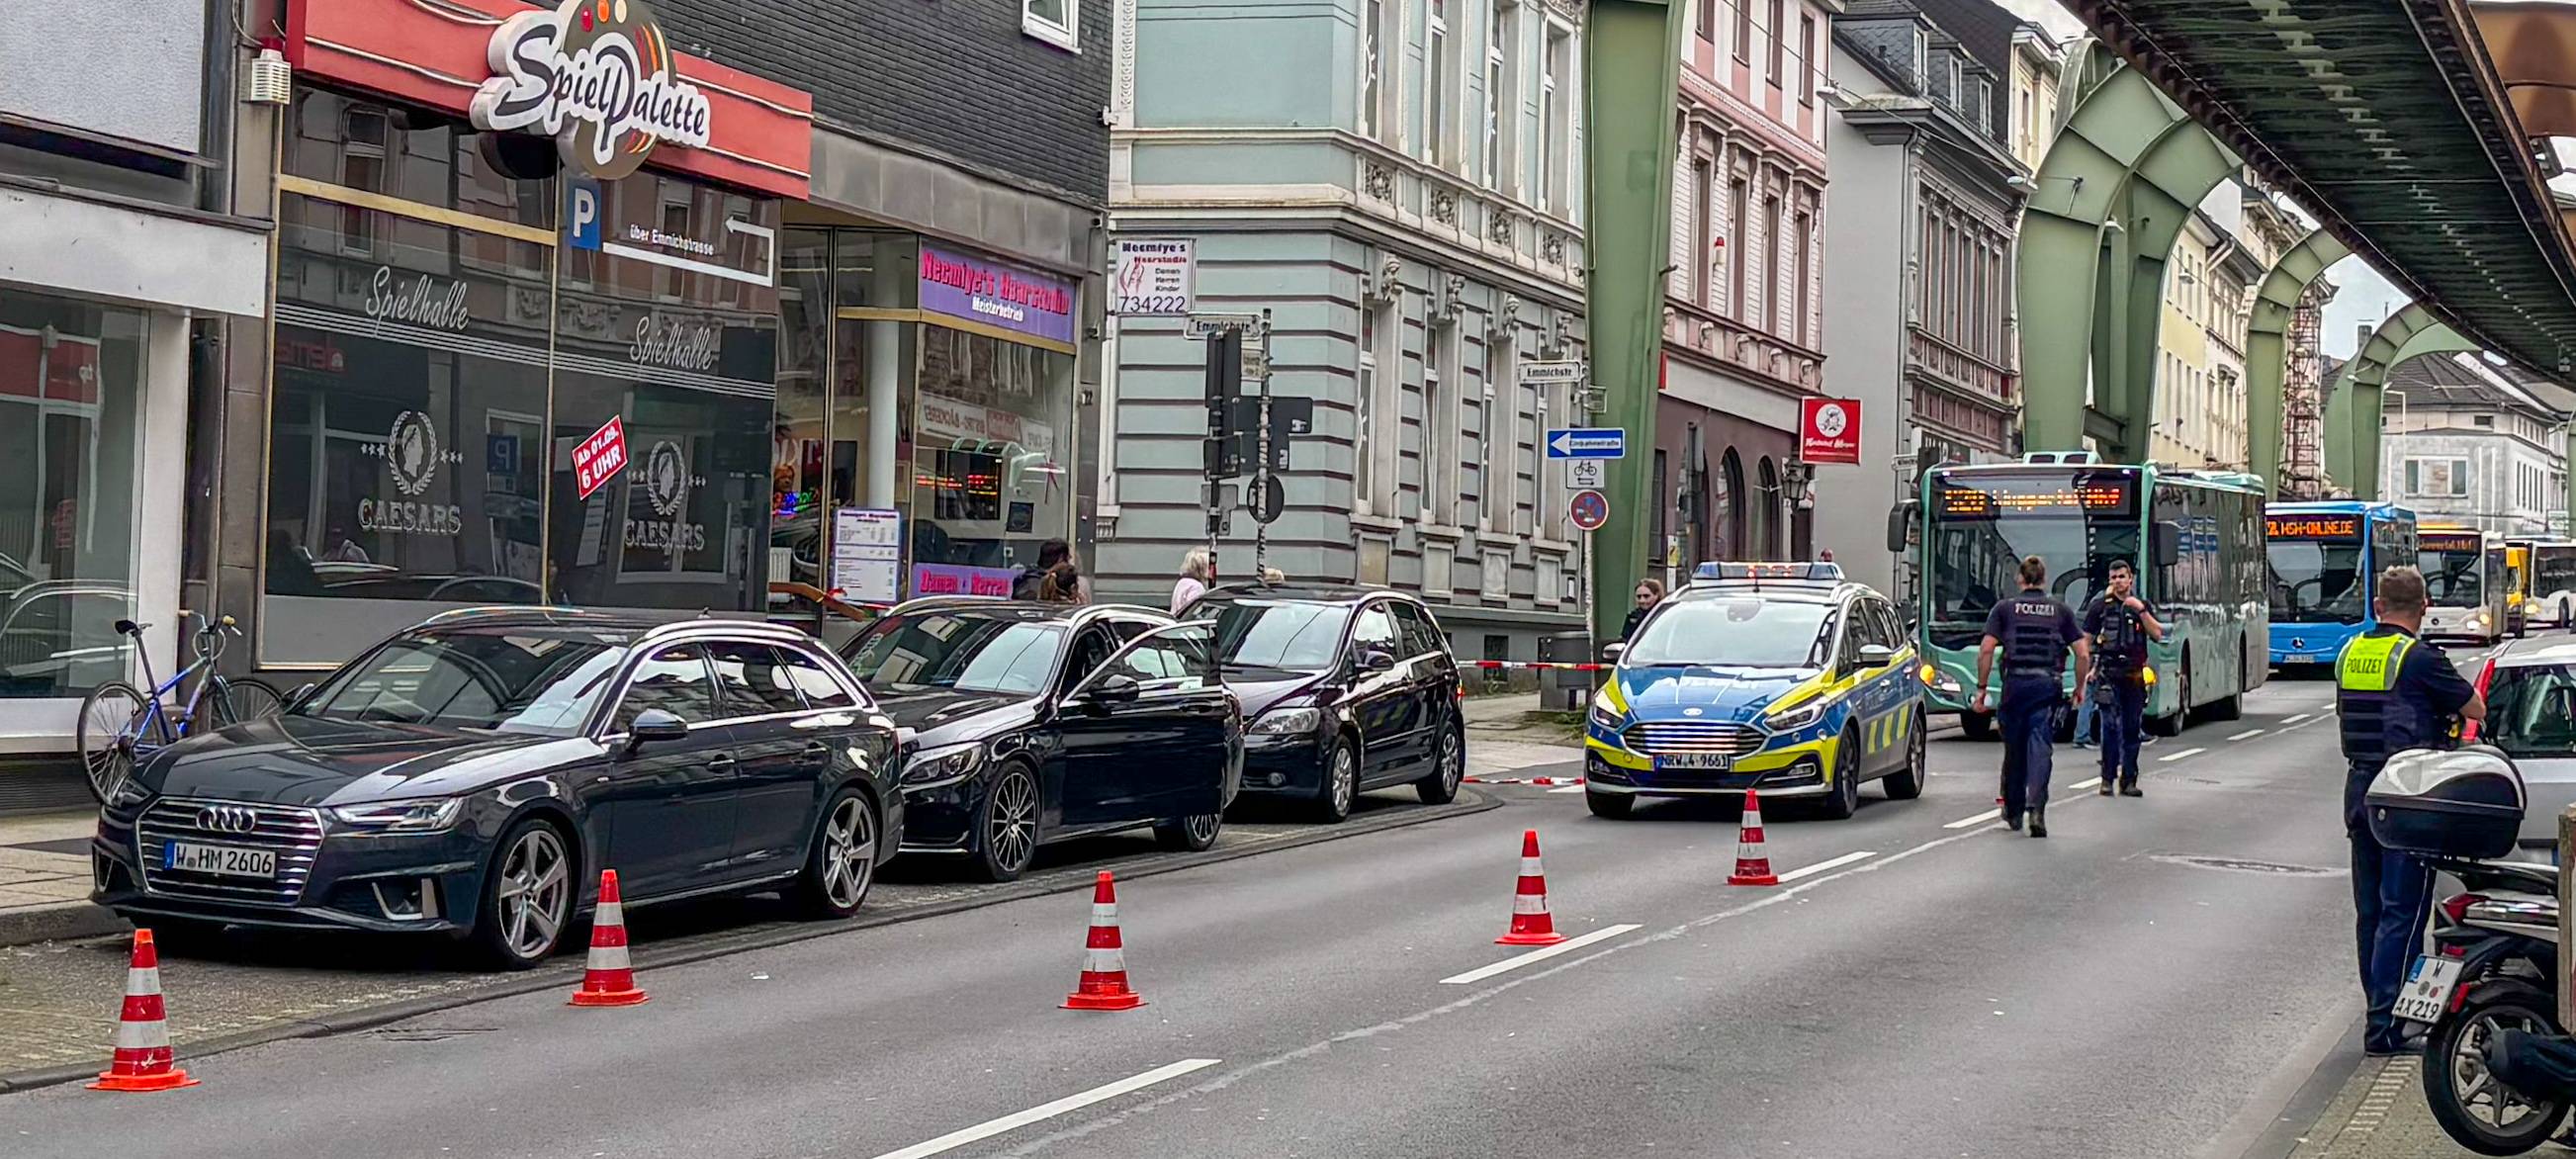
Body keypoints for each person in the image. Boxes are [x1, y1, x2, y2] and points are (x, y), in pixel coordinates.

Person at [2335, 565, 2485, 1056]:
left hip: (2360, 789)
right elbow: (2475, 708)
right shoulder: (2419, 658)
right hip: (2407, 792)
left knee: (2371, 912)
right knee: (2404, 911)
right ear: (2424, 609)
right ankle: (2387, 1026)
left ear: (2377, 607)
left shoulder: (2351, 652)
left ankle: (2377, 1012)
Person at [1971, 555, 2090, 839]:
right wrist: (2080, 687)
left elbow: (1986, 650)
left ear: (2020, 579)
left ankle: (2013, 810)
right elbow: (2083, 653)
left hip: (2015, 685)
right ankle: (2036, 808)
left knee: (2014, 749)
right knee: (2040, 747)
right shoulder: (2059, 611)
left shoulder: (2005, 609)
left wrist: (1982, 687)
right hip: (2046, 685)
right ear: (2044, 579)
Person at [2082, 559, 2165, 796]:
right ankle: (2107, 778)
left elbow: (2158, 634)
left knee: (2131, 728)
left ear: (2130, 579)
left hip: (2134, 676)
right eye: (2114, 577)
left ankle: (2128, 780)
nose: (2118, 581)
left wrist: (2140, 610)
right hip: (2107, 674)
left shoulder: (2141, 606)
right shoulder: (2099, 607)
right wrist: (2088, 669)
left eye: (2122, 577)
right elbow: (2085, 641)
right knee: (2108, 726)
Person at [1173, 549, 1212, 615]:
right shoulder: (1196, 587)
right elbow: (1193, 611)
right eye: (1209, 567)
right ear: (1201, 568)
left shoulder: (1182, 582)